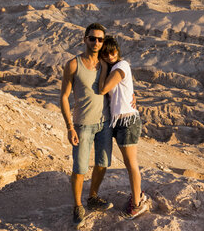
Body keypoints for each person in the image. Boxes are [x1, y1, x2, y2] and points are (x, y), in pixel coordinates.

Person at [60, 23, 114, 227]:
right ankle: (78, 205)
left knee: (103, 163)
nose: (96, 42)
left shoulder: (105, 64)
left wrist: (132, 96)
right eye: (92, 38)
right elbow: (64, 97)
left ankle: (93, 197)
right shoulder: (73, 65)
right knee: (80, 167)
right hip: (82, 124)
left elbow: (121, 82)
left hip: (104, 123)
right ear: (85, 39)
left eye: (100, 39)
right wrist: (69, 127)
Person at [98, 36, 149, 219]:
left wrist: (103, 66)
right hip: (118, 122)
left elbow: (103, 89)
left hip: (127, 122)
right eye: (105, 53)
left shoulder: (120, 67)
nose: (110, 56)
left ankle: (137, 203)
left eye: (112, 52)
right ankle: (138, 196)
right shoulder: (114, 68)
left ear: (117, 51)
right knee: (128, 164)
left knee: (131, 164)